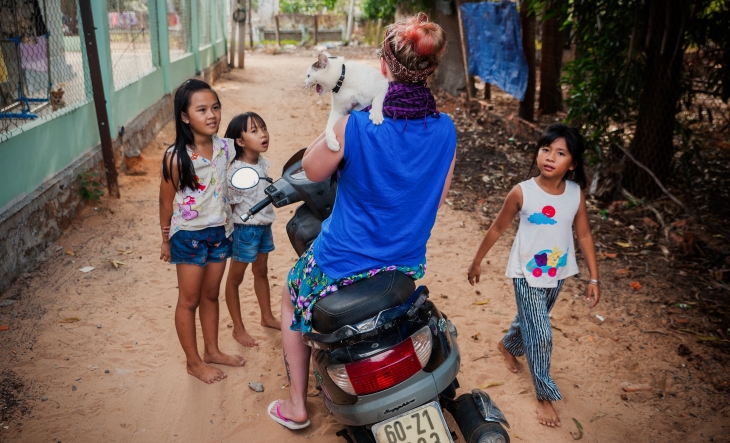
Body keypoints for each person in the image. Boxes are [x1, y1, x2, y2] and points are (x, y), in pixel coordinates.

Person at [267, 13, 455, 430]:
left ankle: (298, 405)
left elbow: (311, 172)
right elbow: (435, 198)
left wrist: (342, 116)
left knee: (289, 295)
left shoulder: (355, 127)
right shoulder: (446, 130)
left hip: (341, 259)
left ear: (384, 67)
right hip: (403, 262)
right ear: (432, 70)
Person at [467, 123, 600, 427]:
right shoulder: (522, 192)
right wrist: (477, 261)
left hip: (558, 273)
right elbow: (498, 227)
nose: (550, 157)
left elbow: (584, 234)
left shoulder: (575, 194)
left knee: (531, 319)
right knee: (541, 334)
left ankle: (508, 346)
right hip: (526, 273)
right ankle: (544, 396)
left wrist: (594, 278)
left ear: (573, 164)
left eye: (560, 153)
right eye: (546, 149)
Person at [159, 79, 245, 384]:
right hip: (189, 237)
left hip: (220, 233)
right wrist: (165, 239)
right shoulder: (177, 157)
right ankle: (193, 362)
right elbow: (165, 201)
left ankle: (212, 351)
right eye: (202, 109)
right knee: (189, 300)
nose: (212, 115)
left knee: (211, 296)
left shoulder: (226, 148)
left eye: (216, 107)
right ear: (185, 117)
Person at [223, 112, 281, 348]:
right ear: (240, 141)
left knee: (261, 272)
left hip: (264, 227)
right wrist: (231, 231)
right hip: (245, 230)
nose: (263, 134)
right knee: (235, 279)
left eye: (263, 128)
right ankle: (238, 328)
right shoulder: (237, 172)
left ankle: (266, 317)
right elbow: (232, 205)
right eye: (254, 131)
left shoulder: (262, 163)